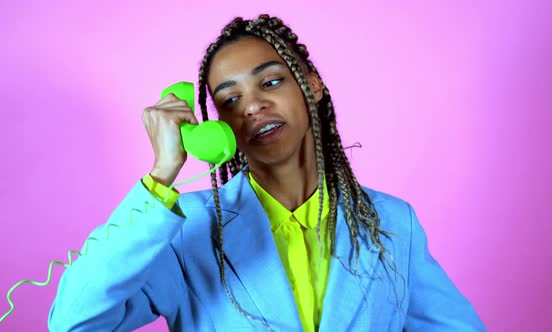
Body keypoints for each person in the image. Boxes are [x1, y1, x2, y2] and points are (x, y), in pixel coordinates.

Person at [47, 14, 486, 332]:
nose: (253, 105)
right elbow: (73, 322)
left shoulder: (391, 223)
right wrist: (163, 175)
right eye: (230, 100)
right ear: (216, 126)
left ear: (310, 85)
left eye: (270, 82)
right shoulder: (189, 231)